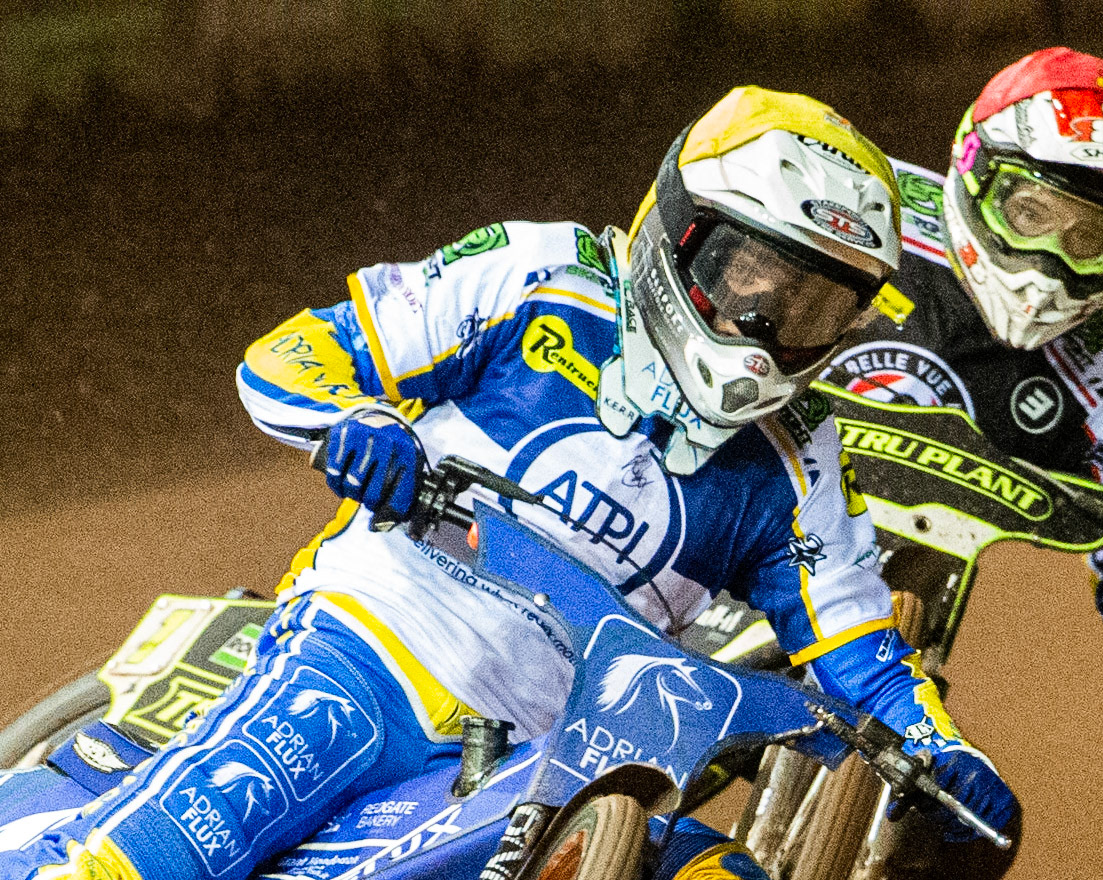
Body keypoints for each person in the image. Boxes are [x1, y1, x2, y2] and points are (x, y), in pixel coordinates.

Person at [3, 87, 1016, 880]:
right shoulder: (541, 276)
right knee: (180, 842)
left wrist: (935, 747)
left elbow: (852, 638)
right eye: (753, 275)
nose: (766, 322)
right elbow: (298, 353)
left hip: (558, 749)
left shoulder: (798, 451)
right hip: (374, 649)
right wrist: (356, 421)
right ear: (681, 232)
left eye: (811, 303)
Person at [815, 47, 1103, 878]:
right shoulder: (852, 201)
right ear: (973, 171)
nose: (1051, 260)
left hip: (893, 624)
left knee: (974, 835)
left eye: (1090, 236)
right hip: (705, 521)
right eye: (1028, 212)